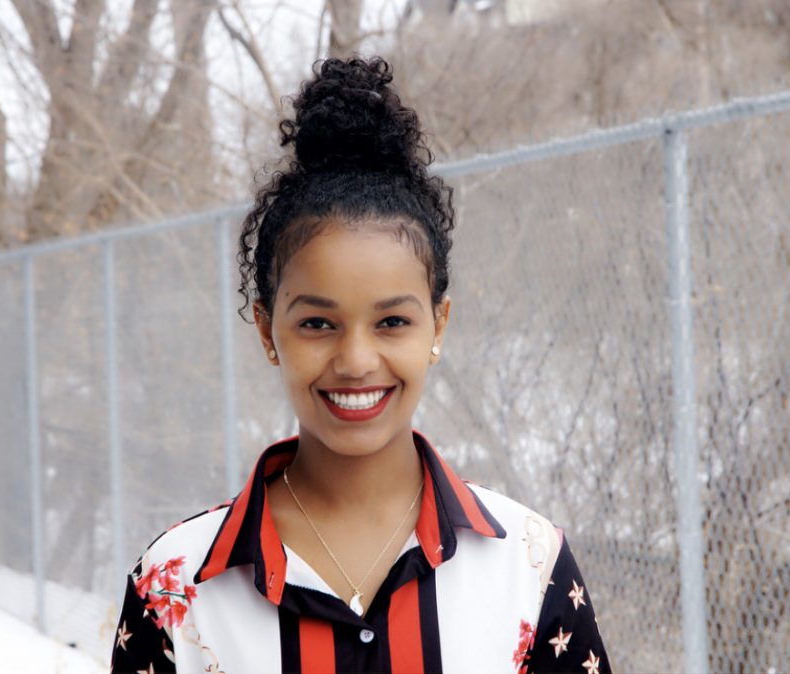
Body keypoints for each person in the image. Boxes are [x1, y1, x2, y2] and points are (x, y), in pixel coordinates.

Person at [110, 56, 610, 674]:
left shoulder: (532, 569)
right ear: (268, 331)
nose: (355, 360)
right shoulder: (174, 587)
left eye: (392, 321)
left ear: (438, 326)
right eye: (317, 323)